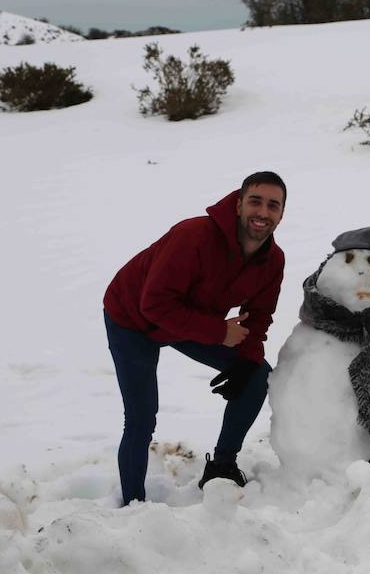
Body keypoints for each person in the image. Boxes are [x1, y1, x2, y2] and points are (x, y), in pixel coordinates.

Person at [103, 172, 286, 505]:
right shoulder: (193, 235)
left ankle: (222, 465)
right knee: (141, 417)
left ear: (282, 213)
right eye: (255, 201)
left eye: (273, 205)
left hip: (187, 320)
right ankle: (132, 505)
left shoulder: (272, 260)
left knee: (257, 374)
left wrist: (246, 359)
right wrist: (218, 332)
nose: (263, 212)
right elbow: (154, 303)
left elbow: (258, 316)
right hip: (131, 320)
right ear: (238, 204)